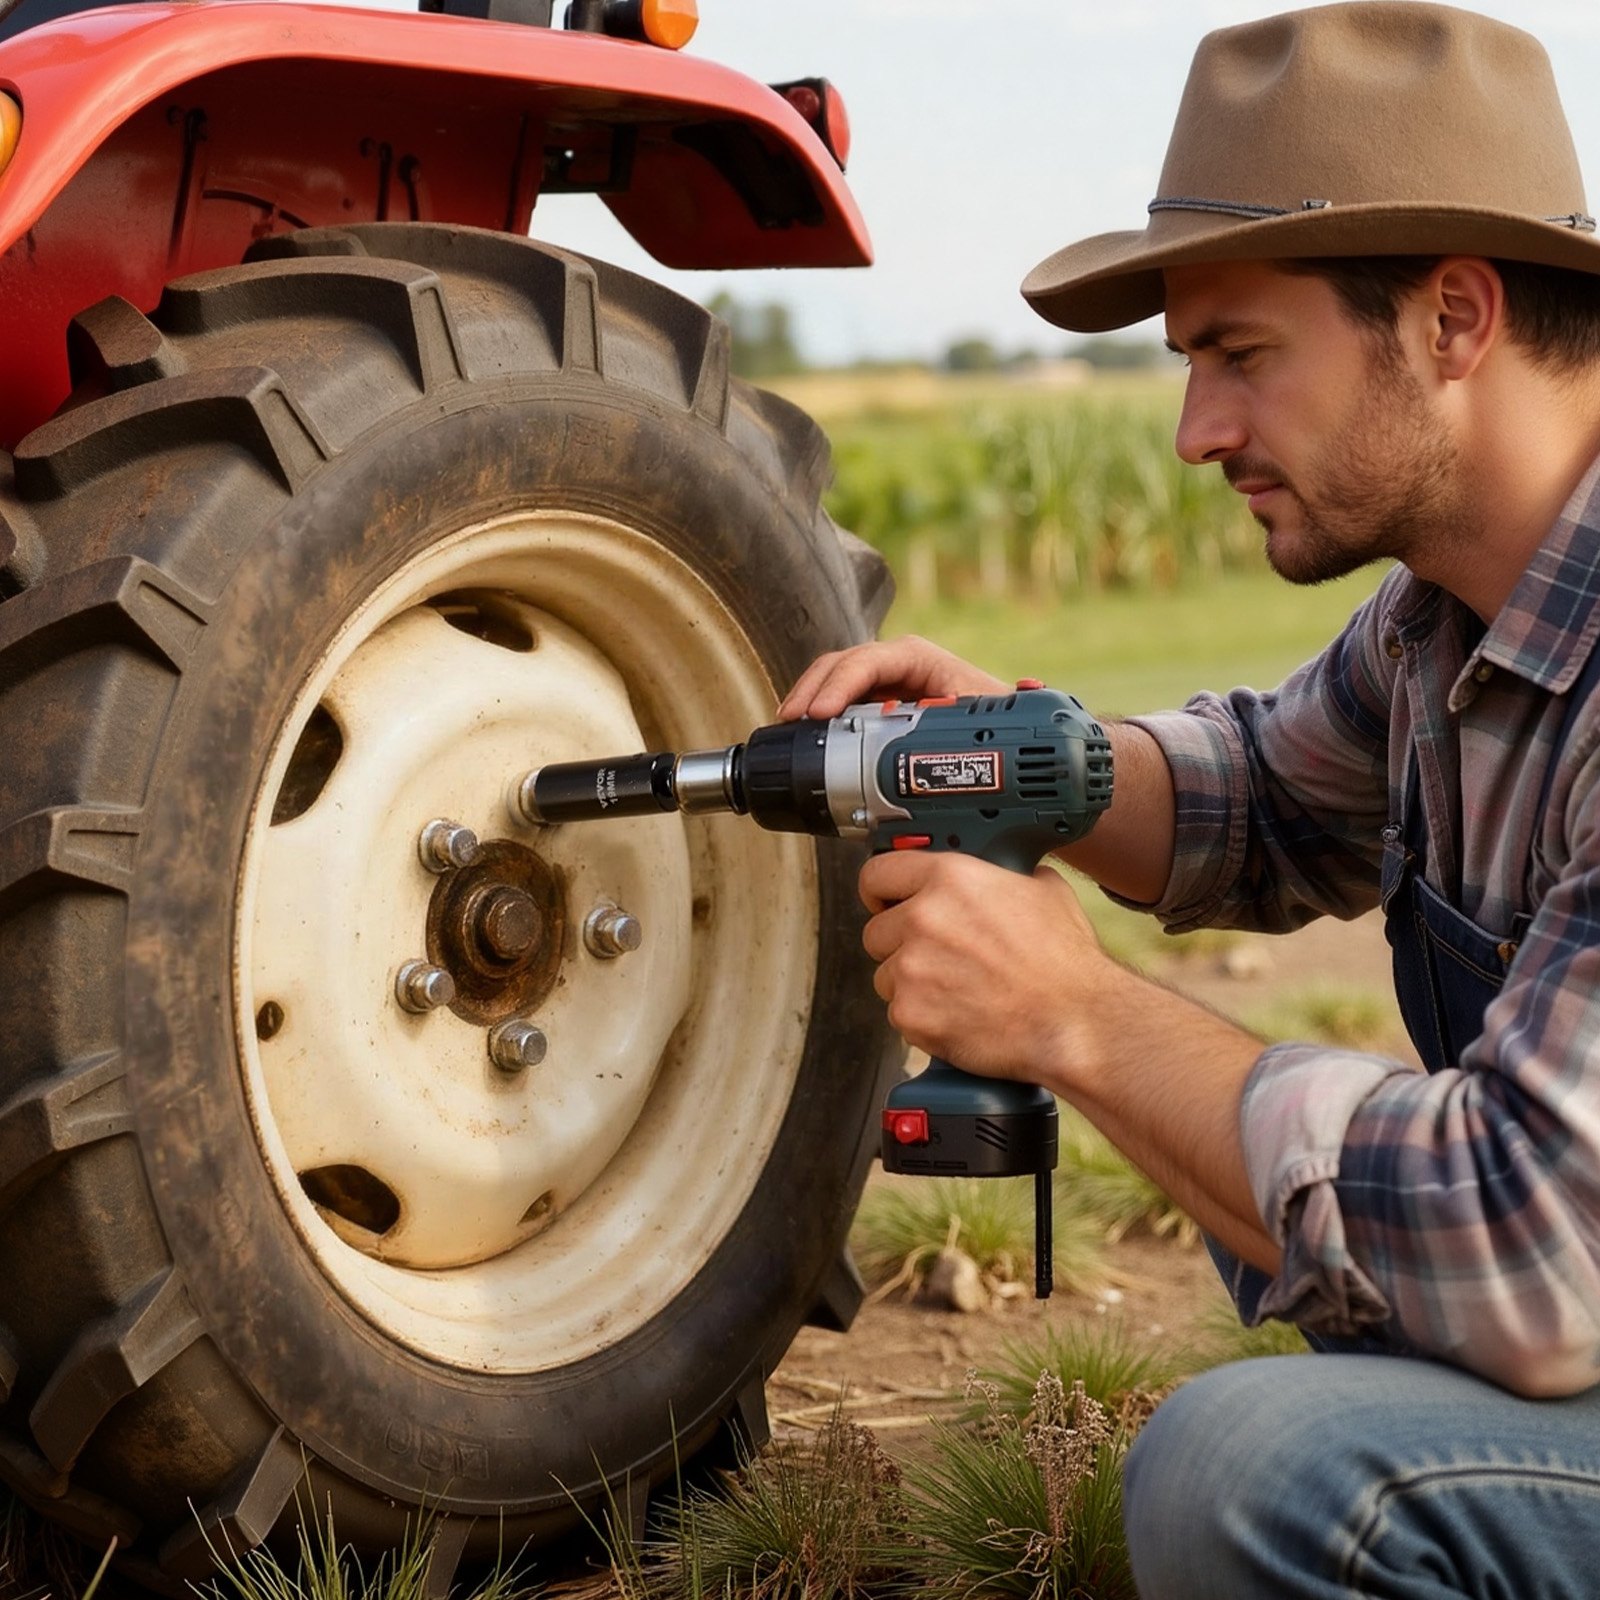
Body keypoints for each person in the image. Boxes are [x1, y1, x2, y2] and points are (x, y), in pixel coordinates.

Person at [779, 4, 1600, 1596]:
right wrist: (1017, 746)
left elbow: (1527, 1243)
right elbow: (1259, 797)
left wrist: (1074, 1012)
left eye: (1240, 355)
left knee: (1256, 1472)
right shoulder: (1447, 619)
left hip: (1561, 1269)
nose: (1193, 433)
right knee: (1253, 1162)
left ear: (1452, 318)